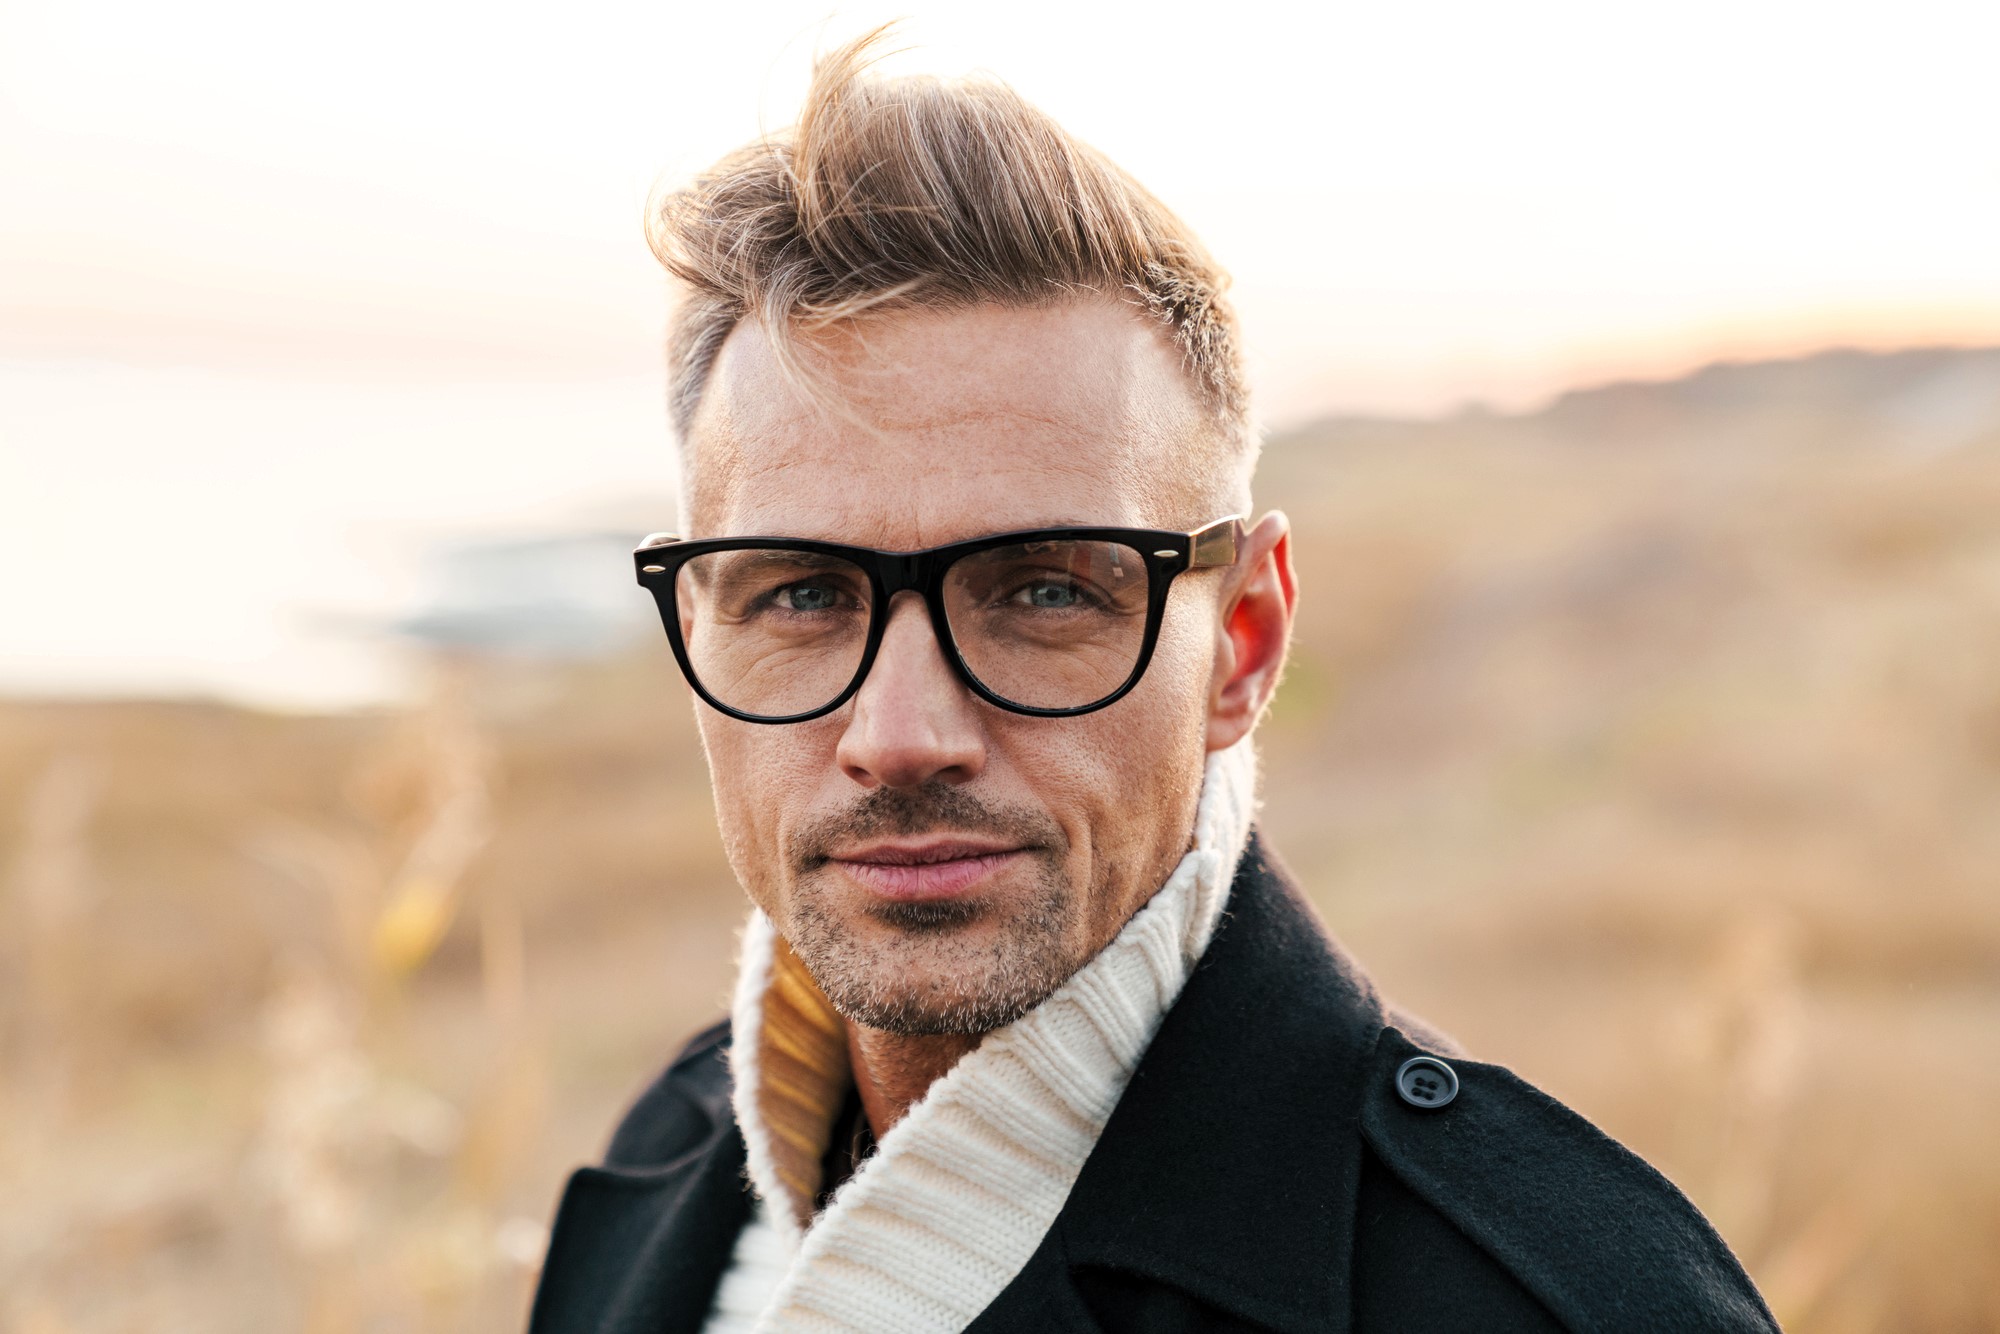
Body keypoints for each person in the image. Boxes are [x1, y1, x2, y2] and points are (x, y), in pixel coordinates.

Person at [529, 29, 1779, 1334]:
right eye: (800, 592)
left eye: (1044, 591)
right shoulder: (668, 1156)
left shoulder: (1556, 1305)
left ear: (1242, 640)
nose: (900, 736)